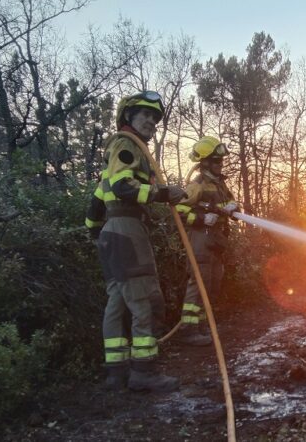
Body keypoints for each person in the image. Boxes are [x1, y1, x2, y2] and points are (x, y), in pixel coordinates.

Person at [85, 90, 185, 392]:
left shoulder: (115, 153)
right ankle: (145, 372)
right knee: (145, 300)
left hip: (112, 233)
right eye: (146, 115)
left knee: (117, 302)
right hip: (127, 229)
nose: (152, 122)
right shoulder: (126, 145)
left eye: (155, 118)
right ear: (128, 116)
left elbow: (97, 201)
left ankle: (116, 371)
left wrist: (97, 233)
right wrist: (162, 193)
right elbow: (123, 187)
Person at [174, 136, 239, 346]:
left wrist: (233, 207)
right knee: (199, 283)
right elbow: (179, 210)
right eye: (216, 161)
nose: (220, 165)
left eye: (221, 161)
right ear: (205, 163)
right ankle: (188, 330)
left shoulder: (220, 185)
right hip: (201, 239)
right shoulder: (197, 185)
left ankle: (202, 327)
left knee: (212, 284)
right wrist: (202, 218)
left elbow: (230, 201)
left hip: (217, 240)